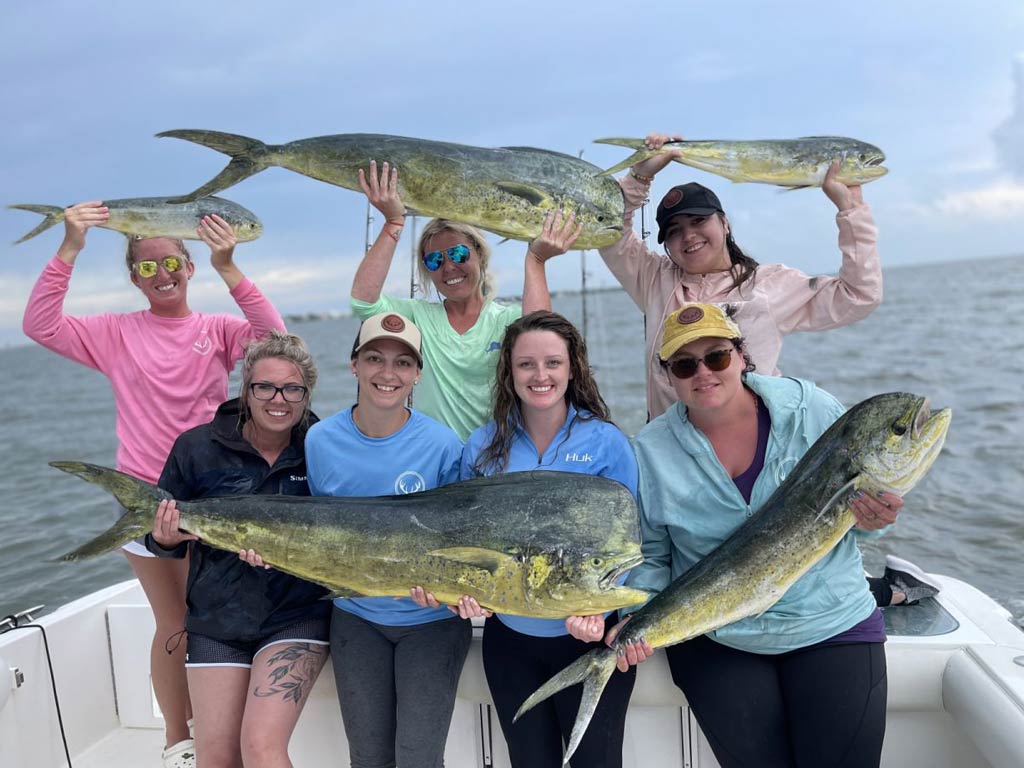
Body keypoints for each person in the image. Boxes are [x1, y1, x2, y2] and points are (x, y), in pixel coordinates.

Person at [22, 203, 285, 767]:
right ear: (133, 277)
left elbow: (275, 339)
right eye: (145, 268)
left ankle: (228, 731)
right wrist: (70, 245)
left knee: (221, 621)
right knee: (175, 623)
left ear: (189, 266)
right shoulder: (114, 333)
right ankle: (176, 739)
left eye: (171, 263)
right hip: (148, 499)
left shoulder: (216, 329)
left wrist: (229, 265)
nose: (161, 275)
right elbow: (40, 325)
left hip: (218, 499)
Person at [613, 303, 903, 768]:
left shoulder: (812, 410)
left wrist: (875, 520)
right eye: (685, 365)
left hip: (829, 623)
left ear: (742, 356)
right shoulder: (649, 451)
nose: (703, 373)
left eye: (717, 357)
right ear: (668, 376)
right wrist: (637, 614)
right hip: (721, 639)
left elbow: (850, 523)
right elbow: (650, 554)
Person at [458, 311, 639, 768]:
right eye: (526, 365)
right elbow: (464, 543)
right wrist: (461, 595)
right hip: (510, 643)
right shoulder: (481, 447)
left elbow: (632, 546)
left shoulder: (607, 443)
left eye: (553, 363)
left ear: (572, 367)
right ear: (509, 372)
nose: (541, 376)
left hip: (590, 641)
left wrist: (599, 611)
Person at [598, 133, 882, 422]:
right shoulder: (653, 279)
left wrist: (851, 210)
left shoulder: (768, 284)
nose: (688, 236)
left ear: (725, 223)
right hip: (670, 455)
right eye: (673, 231)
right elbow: (608, 229)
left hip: (756, 452)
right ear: (667, 245)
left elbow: (858, 296)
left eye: (698, 221)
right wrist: (640, 176)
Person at [147, 331, 329, 768]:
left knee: (262, 749)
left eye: (292, 389)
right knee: (216, 758)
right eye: (264, 387)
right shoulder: (196, 447)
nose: (278, 400)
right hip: (218, 619)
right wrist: (166, 537)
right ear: (246, 389)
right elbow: (161, 538)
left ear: (307, 394)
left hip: (295, 613)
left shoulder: (323, 445)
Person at [304, 311, 468, 768]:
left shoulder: (443, 445)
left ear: (417, 374)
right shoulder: (319, 440)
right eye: (375, 358)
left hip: (430, 621)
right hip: (355, 618)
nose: (387, 373)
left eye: (402, 363)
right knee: (369, 758)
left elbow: (459, 538)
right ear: (354, 364)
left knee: (418, 758)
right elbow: (315, 534)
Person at [349, 160, 581, 439]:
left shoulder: (506, 319)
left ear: (480, 255)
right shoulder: (418, 318)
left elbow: (542, 335)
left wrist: (536, 259)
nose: (449, 267)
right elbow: (363, 303)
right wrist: (393, 224)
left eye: (459, 254)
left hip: (496, 455)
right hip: (435, 456)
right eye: (435, 260)